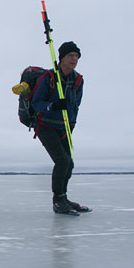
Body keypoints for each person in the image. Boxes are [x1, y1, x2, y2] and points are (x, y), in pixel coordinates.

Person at [31, 41, 91, 215]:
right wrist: (54, 106)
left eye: (76, 56)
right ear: (62, 58)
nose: (74, 59)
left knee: (69, 164)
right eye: (70, 56)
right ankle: (57, 201)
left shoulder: (78, 80)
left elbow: (76, 105)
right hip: (45, 126)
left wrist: (71, 124)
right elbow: (36, 103)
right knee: (62, 161)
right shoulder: (50, 77)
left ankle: (63, 198)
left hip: (64, 126)